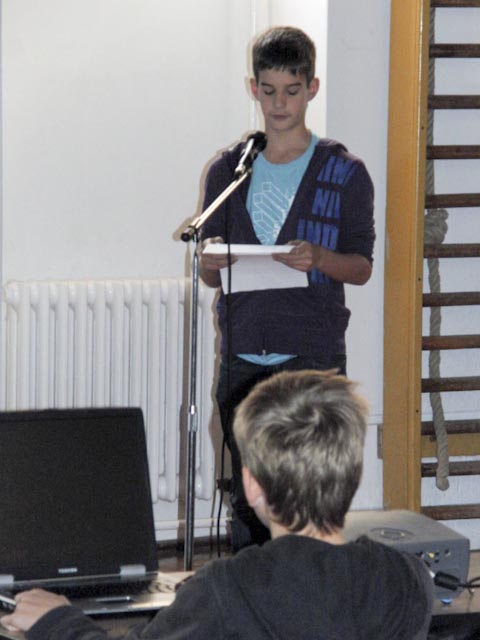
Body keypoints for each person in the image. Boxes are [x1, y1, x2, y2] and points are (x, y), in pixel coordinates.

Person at [1, 370, 433, 639]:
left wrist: (57, 620)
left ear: (252, 485)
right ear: (352, 474)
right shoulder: (408, 581)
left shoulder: (227, 590)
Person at [198, 26, 375, 549]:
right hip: (243, 357)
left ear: (312, 89)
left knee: (313, 500)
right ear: (253, 88)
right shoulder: (228, 171)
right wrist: (211, 260)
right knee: (248, 500)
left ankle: (313, 593)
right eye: (269, 90)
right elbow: (211, 275)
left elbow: (362, 267)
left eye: (292, 91)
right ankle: (252, 593)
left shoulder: (344, 172)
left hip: (312, 356)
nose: (279, 104)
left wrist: (318, 258)